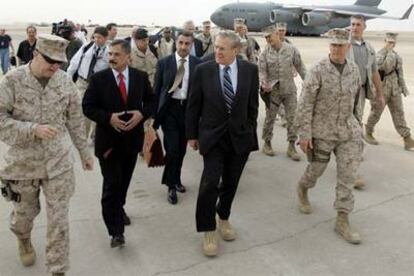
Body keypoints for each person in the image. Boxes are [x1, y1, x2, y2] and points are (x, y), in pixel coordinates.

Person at [0, 34, 93, 276]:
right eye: (50, 60)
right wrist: (32, 130)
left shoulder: (64, 82)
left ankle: (58, 269)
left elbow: (74, 118)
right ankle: (23, 238)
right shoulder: (12, 81)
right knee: (23, 217)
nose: (55, 66)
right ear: (35, 54)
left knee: (59, 221)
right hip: (22, 165)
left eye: (59, 62)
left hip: (58, 163)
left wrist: (84, 152)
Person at [186, 30, 259, 257]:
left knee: (231, 182)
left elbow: (252, 105)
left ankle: (223, 217)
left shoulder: (250, 70)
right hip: (212, 136)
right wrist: (192, 135)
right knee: (209, 183)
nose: (217, 51)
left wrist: (249, 129)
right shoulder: (203, 70)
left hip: (239, 137)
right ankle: (208, 229)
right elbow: (193, 105)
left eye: (222, 48)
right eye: (216, 47)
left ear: (236, 50)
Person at [82, 39, 156, 248]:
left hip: (132, 143)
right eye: (110, 54)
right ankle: (116, 232)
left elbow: (152, 101)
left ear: (127, 57)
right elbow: (87, 107)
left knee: (123, 183)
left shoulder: (140, 78)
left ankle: (119, 208)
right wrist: (108, 118)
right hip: (108, 145)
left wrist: (141, 114)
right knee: (111, 186)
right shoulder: (98, 79)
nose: (111, 58)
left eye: (116, 54)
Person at [295, 28, 363, 244]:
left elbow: (357, 100)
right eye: (333, 45)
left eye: (340, 45)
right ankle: (303, 187)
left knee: (347, 176)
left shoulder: (354, 70)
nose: (336, 49)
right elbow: (305, 104)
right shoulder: (318, 70)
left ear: (348, 47)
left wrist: (358, 125)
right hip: (322, 132)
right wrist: (305, 134)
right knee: (316, 170)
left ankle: (342, 219)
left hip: (348, 132)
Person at [153, 31, 202, 204]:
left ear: (192, 45)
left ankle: (177, 178)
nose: (183, 47)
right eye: (180, 43)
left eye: (187, 44)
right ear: (176, 42)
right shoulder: (164, 63)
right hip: (170, 110)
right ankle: (171, 186)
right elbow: (157, 90)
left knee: (181, 150)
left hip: (188, 111)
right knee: (172, 149)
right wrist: (153, 116)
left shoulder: (198, 64)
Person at [347, 15, 385, 189]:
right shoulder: (343, 45)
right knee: (347, 126)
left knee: (355, 125)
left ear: (364, 27)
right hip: (344, 92)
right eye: (352, 24)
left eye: (358, 25)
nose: (354, 28)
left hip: (360, 92)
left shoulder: (369, 48)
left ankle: (350, 166)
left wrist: (380, 94)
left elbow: (375, 72)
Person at [258, 26, 306, 161]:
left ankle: (291, 146)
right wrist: (263, 82)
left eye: (270, 36)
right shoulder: (265, 53)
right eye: (266, 37)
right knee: (270, 118)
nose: (268, 40)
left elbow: (300, 67)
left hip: (289, 90)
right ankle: (267, 143)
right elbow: (262, 71)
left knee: (292, 118)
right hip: (272, 91)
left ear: (277, 34)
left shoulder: (291, 50)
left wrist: (308, 82)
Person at [364, 32, 414, 150]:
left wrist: (403, 88)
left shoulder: (397, 56)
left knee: (399, 114)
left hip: (395, 90)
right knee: (376, 113)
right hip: (381, 89)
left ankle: (407, 138)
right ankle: (368, 132)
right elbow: (386, 67)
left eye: (393, 42)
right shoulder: (379, 55)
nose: (391, 44)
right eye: (389, 42)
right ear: (385, 42)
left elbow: (400, 74)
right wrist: (390, 53)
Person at [67, 26, 110, 142]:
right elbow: (74, 63)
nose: (96, 40)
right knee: (82, 110)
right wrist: (68, 79)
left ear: (106, 38)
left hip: (99, 86)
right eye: (95, 37)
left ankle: (95, 136)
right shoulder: (86, 48)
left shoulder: (110, 52)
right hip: (82, 83)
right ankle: (82, 137)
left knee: (98, 111)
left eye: (100, 37)